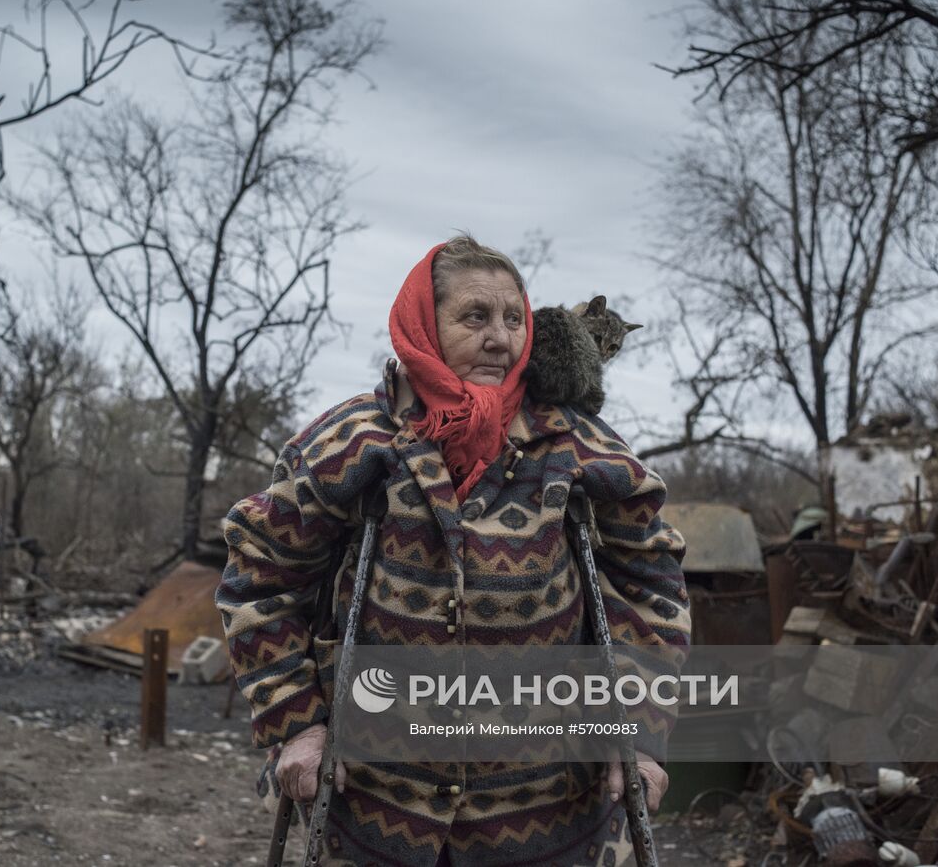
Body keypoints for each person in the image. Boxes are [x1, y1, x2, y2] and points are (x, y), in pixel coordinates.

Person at [216, 237, 690, 866]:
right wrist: (295, 722)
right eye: (475, 317)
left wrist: (638, 727)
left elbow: (650, 584)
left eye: (513, 318)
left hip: (547, 803)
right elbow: (260, 575)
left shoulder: (578, 446)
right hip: (380, 798)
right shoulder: (353, 439)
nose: (500, 339)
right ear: (423, 324)